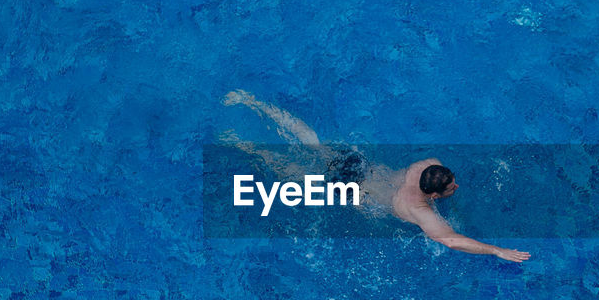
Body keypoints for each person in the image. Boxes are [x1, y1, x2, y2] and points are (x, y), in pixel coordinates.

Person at [223, 90, 531, 263]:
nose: (457, 186)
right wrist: (496, 250)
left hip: (358, 163)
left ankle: (252, 101)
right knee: (289, 172)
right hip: (350, 189)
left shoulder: (426, 165)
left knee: (313, 142)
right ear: (433, 195)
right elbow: (450, 240)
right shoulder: (419, 209)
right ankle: (242, 145)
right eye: (451, 188)